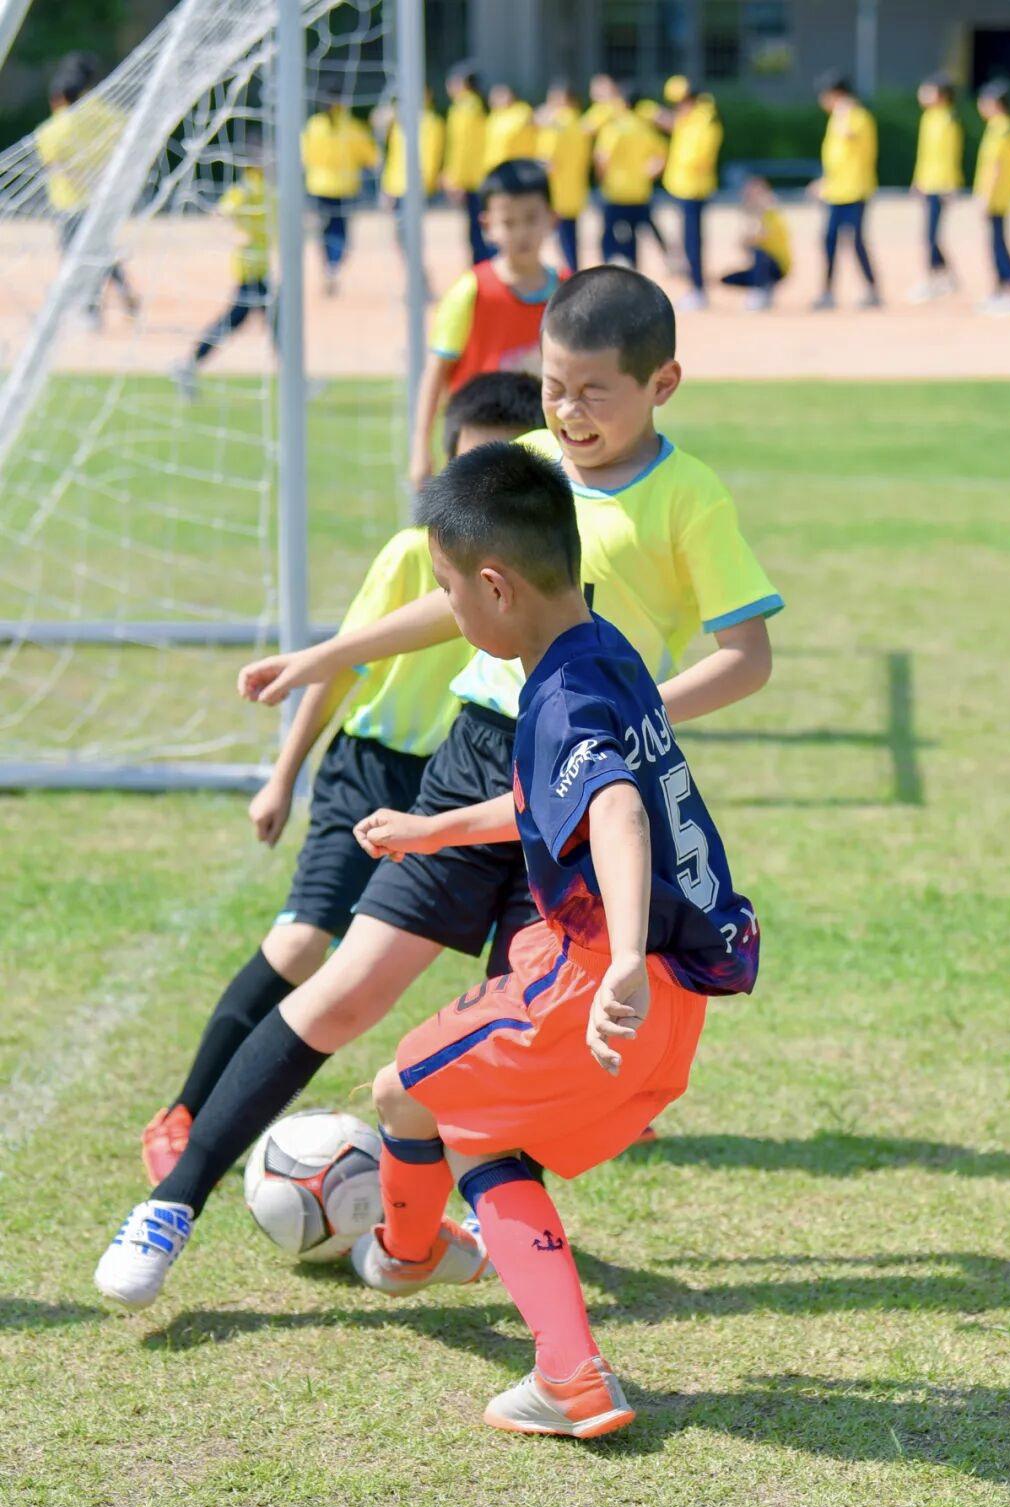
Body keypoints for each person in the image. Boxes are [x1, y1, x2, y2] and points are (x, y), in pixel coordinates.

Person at [94, 267, 781, 1313]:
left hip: (580, 799)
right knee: (351, 987)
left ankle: (436, 1249)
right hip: (475, 757)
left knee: (520, 1044)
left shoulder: (691, 499)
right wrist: (322, 656)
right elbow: (444, 599)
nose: (568, 410)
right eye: (555, 385)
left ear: (663, 385)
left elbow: (748, 653)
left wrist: (623, 728)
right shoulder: (522, 469)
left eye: (595, 391)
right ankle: (174, 1203)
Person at [344, 442, 760, 1438]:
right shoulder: (603, 649)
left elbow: (610, 806)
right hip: (670, 998)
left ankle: (409, 1255)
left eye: (449, 593)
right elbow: (556, 796)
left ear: (496, 587)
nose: (449, 612)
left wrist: (613, 955)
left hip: (589, 985)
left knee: (403, 1089)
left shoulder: (558, 698)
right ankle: (567, 1374)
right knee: (486, 1132)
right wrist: (436, 828)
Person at [139, 373, 546, 1184]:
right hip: (373, 766)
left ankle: (537, 1115)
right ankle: (185, 1110)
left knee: (520, 962)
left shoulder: (536, 570)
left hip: (463, 777)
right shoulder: (412, 554)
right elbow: (347, 661)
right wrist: (282, 776)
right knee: (301, 943)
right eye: (472, 468)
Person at [409, 159, 560, 487]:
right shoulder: (471, 291)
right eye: (508, 222)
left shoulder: (567, 292)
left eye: (531, 219)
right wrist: (420, 447)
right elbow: (436, 372)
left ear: (552, 218)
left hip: (543, 453)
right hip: (477, 454)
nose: (521, 232)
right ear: (487, 225)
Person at [35, 51, 139, 327]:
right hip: (104, 199)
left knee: (78, 256)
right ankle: (121, 295)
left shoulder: (52, 130)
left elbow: (53, 164)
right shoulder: (109, 116)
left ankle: (92, 311)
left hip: (70, 202)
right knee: (99, 250)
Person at [170, 144, 273, 401]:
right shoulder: (247, 189)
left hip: (259, 265)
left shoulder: (265, 189)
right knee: (264, 318)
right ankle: (189, 364)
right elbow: (222, 212)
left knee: (258, 319)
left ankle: (190, 364)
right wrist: (241, 234)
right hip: (249, 265)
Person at [301, 74, 378, 296]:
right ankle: (333, 266)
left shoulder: (314, 126)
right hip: (344, 188)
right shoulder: (353, 128)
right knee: (340, 232)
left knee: (325, 231)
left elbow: (304, 157)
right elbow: (372, 158)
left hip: (319, 187)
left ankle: (328, 266)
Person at [810, 72, 880, 310]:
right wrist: (824, 181)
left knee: (856, 240)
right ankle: (828, 292)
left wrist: (843, 111)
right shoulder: (837, 118)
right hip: (836, 191)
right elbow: (837, 157)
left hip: (856, 190)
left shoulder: (857, 117)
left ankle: (872, 289)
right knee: (829, 239)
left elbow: (849, 137)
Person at [659, 76, 723, 311]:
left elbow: (699, 157)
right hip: (685, 188)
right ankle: (695, 287)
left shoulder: (704, 121)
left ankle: (698, 289)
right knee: (689, 242)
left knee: (693, 242)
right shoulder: (690, 120)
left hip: (694, 189)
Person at [593, 84, 668, 268]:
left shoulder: (615, 127)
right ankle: (636, 268)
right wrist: (649, 174)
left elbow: (602, 157)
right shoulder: (645, 128)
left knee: (609, 236)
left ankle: (611, 269)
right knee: (635, 234)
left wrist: (601, 178)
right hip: (640, 190)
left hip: (616, 191)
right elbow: (662, 156)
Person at [379, 89, 445, 296]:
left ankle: (419, 282)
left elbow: (432, 156)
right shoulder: (399, 121)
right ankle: (419, 277)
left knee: (411, 235)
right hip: (398, 186)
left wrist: (425, 184)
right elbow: (393, 156)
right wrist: (387, 186)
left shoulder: (432, 122)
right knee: (400, 237)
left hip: (415, 188)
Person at [908, 75, 963, 303]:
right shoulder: (928, 118)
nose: (923, 94)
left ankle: (934, 279)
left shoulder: (948, 120)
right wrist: (917, 180)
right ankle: (946, 276)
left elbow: (951, 155)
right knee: (930, 234)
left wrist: (951, 185)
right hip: (928, 182)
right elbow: (925, 155)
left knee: (931, 234)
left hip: (941, 184)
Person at [974, 80, 1010, 315]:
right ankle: (1002, 289)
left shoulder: (1000, 128)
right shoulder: (1000, 126)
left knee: (998, 244)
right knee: (995, 243)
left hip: (997, 197)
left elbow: (995, 166)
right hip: (998, 196)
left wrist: (985, 196)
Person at [535, 82, 591, 273]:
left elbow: (547, 159)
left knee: (562, 241)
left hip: (557, 190)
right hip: (575, 188)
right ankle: (574, 273)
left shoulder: (556, 124)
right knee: (572, 239)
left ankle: (570, 278)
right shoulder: (580, 123)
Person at [718, 176, 792, 311]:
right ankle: (763, 287)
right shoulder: (758, 215)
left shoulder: (771, 212)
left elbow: (757, 237)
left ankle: (760, 292)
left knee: (759, 253)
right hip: (763, 265)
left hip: (777, 265)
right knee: (728, 279)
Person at [443, 64, 490, 264]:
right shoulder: (476, 106)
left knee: (477, 229)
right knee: (478, 228)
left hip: (472, 178)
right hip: (477, 177)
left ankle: (482, 268)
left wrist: (456, 178)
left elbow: (463, 147)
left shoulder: (464, 108)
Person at [483, 85, 537, 173]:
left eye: (499, 96)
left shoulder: (522, 111)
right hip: (494, 168)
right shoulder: (494, 116)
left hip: (517, 168)